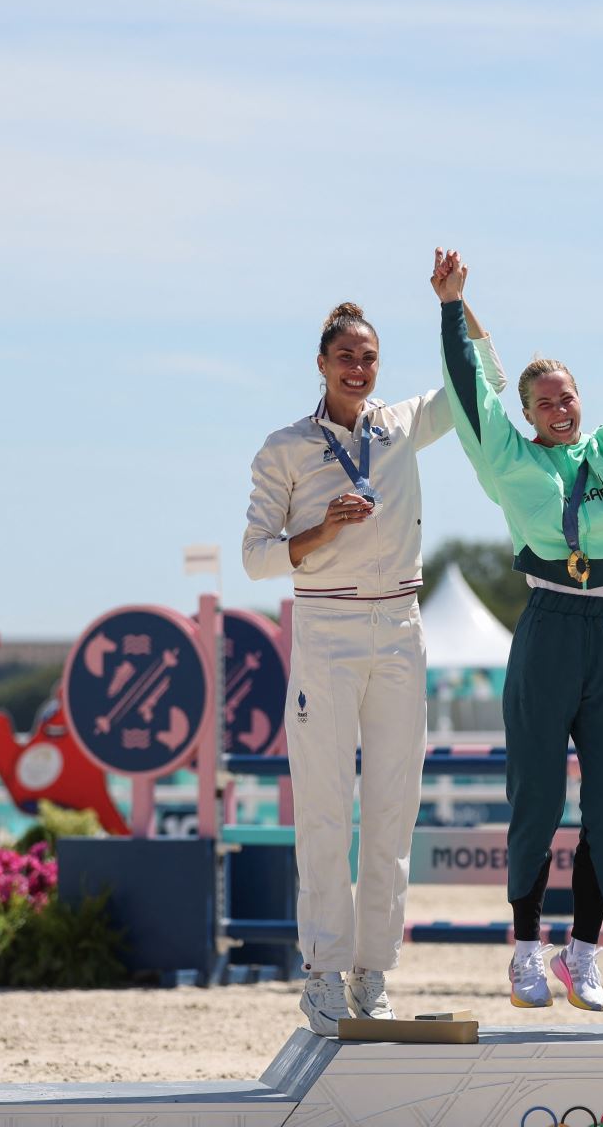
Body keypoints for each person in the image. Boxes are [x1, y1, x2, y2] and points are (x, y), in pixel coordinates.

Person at [241, 260, 505, 1036]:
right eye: (346, 357)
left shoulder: (398, 426)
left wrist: (456, 305)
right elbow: (256, 556)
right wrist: (322, 528)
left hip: (400, 627)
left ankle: (372, 974)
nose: (359, 368)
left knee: (393, 811)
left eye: (369, 358)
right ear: (321, 364)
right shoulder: (285, 448)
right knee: (324, 809)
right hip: (323, 627)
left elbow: (479, 378)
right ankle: (322, 973)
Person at [435, 252, 603, 1012]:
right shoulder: (506, 459)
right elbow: (471, 392)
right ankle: (526, 950)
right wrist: (452, 308)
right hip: (545, 627)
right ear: (530, 412)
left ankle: (583, 951)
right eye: (543, 401)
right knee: (535, 792)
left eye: (565, 396)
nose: (557, 408)